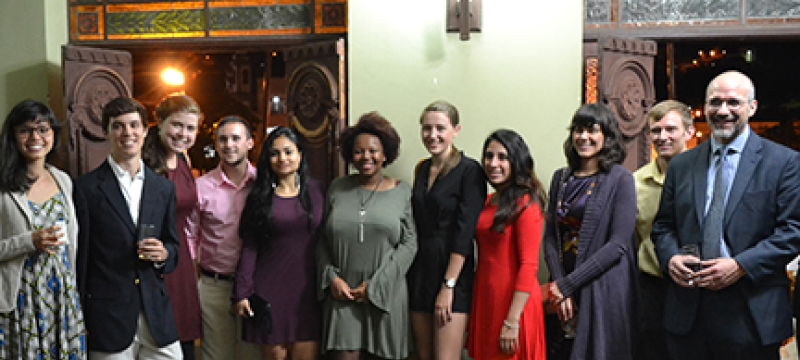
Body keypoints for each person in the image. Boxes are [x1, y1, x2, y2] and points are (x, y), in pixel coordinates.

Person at [652, 70, 800, 360]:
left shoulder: (784, 163)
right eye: (714, 102)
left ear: (752, 107)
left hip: (751, 312)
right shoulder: (682, 165)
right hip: (688, 314)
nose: (723, 111)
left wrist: (741, 265)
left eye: (733, 102)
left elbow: (793, 231)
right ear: (704, 107)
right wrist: (671, 257)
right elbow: (663, 227)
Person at [74, 96, 182, 359]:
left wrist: (165, 254)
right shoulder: (85, 188)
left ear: (145, 131)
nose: (127, 133)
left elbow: (174, 246)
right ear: (106, 132)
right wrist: (80, 316)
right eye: (118, 126)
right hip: (107, 315)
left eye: (134, 125)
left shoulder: (164, 188)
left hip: (156, 313)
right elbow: (81, 257)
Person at [317, 112, 417, 360]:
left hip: (386, 293)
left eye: (373, 151)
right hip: (344, 294)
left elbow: (410, 243)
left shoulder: (401, 191)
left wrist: (376, 287)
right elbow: (321, 240)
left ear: (385, 154)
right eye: (359, 151)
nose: (366, 157)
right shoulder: (337, 188)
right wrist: (331, 278)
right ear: (351, 154)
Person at [542, 103, 637, 360]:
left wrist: (568, 285)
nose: (584, 137)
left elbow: (618, 244)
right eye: (578, 130)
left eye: (592, 131)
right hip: (565, 282)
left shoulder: (621, 179)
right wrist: (560, 285)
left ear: (606, 136)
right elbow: (551, 235)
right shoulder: (560, 178)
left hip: (604, 286)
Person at [0, 100, 86, 359]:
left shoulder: (63, 180)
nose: (35, 137)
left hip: (62, 298)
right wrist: (29, 241)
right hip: (19, 302)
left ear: (53, 135)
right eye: (25, 130)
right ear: (13, 136)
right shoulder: (2, 185)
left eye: (43, 129)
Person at [235, 127, 324, 360]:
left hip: (308, 291)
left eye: (288, 152)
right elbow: (250, 246)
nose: (282, 159)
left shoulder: (318, 191)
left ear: (300, 154)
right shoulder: (260, 196)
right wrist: (242, 292)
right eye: (275, 153)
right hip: (269, 290)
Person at [407, 101, 485, 360]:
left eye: (440, 128)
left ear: (456, 130)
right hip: (420, 269)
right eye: (427, 128)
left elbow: (464, 234)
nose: (433, 135)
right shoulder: (421, 169)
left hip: (452, 271)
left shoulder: (470, 171)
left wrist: (448, 286)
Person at [465, 129, 547, 360]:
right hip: (486, 299)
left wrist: (512, 321)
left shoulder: (526, 203)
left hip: (514, 306)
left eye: (503, 157)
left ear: (516, 161)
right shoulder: (488, 201)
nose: (493, 163)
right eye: (489, 156)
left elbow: (529, 265)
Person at [185, 115, 261, 360]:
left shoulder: (263, 184)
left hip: (256, 286)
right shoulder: (201, 187)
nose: (229, 145)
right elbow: (189, 238)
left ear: (250, 143)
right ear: (216, 145)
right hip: (214, 286)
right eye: (223, 140)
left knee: (254, 356)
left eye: (236, 138)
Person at [142, 94, 204, 360]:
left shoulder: (184, 161)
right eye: (177, 125)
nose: (183, 134)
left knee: (185, 344)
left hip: (181, 262)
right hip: (153, 260)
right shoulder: (142, 162)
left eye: (191, 128)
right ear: (160, 122)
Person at [633, 100, 695, 360]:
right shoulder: (635, 183)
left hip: (696, 289)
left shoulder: (706, 177)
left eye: (671, 129)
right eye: (656, 131)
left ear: (689, 132)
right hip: (652, 288)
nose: (663, 137)